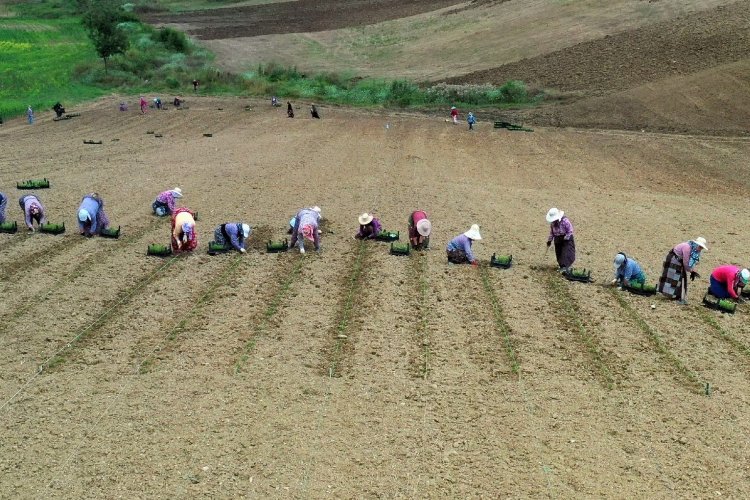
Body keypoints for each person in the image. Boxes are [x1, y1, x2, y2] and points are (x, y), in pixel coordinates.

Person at [657, 237, 707, 304]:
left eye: (702, 248)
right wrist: (691, 271)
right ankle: (668, 293)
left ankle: (677, 295)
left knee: (680, 277)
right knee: (674, 276)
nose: (701, 249)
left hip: (679, 260)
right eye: (700, 247)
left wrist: (693, 270)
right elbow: (686, 262)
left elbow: (692, 262)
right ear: (696, 244)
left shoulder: (695, 251)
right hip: (673, 259)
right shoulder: (687, 248)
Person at [546, 207, 575, 273]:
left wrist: (566, 238)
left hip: (566, 238)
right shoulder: (552, 224)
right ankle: (561, 266)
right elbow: (552, 233)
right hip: (557, 239)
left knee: (566, 252)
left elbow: (570, 230)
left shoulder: (565, 221)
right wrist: (549, 240)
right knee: (559, 252)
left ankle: (566, 266)